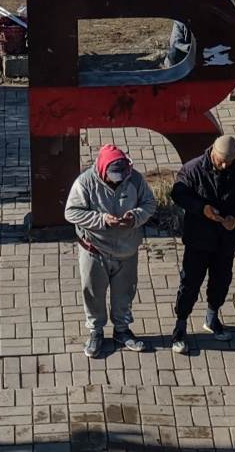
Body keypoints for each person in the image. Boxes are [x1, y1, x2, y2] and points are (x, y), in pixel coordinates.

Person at [64, 144, 157, 359]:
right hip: (94, 250)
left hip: (127, 250)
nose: (117, 180)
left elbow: (149, 204)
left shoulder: (135, 179)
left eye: (120, 175)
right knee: (93, 293)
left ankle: (122, 330)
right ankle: (96, 332)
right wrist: (102, 220)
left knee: (124, 294)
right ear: (102, 169)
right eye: (112, 176)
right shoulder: (85, 183)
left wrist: (135, 217)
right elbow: (71, 212)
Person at [169, 136, 235, 355]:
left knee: (221, 280)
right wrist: (201, 208)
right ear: (212, 153)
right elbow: (178, 193)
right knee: (189, 282)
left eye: (230, 161)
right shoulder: (193, 169)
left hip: (226, 239)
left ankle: (212, 317)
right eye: (221, 161)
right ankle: (180, 325)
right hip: (199, 238)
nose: (225, 166)